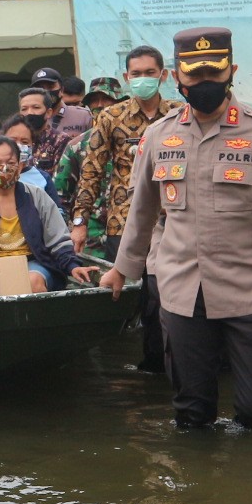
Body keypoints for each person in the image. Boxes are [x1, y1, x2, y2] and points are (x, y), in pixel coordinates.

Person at [101, 27, 252, 429]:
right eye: (194, 76)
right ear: (177, 78)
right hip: (181, 291)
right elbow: (143, 209)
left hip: (250, 292)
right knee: (191, 412)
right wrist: (122, 268)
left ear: (231, 71)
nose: (203, 84)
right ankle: (198, 486)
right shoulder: (158, 134)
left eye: (213, 75)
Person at [72, 48, 178, 371]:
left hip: (172, 220)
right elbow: (91, 171)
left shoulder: (178, 114)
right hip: (124, 221)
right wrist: (80, 220)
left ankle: (173, 361)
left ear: (163, 75)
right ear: (127, 77)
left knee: (166, 292)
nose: (143, 79)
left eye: (150, 72)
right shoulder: (110, 117)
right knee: (137, 295)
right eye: (137, 73)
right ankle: (147, 364)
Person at [0, 135, 98, 293]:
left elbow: (58, 239)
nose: (5, 169)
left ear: (19, 167)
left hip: (34, 263)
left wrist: (72, 266)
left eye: (11, 164)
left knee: (32, 282)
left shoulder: (37, 196)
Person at [54, 77, 127, 256]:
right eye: (94, 100)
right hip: (90, 238)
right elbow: (61, 196)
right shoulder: (77, 146)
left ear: (120, 102)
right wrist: (71, 230)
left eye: (106, 99)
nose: (100, 105)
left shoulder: (135, 141)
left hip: (130, 233)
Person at [0, 114, 63, 209]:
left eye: (24, 142)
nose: (18, 146)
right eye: (12, 141)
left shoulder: (43, 179)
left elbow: (56, 214)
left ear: (33, 145)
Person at [18, 86, 70, 176]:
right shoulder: (13, 140)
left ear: (48, 113)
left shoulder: (61, 140)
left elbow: (59, 180)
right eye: (24, 109)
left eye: (36, 107)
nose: (29, 112)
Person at [31, 68, 92, 137]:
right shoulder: (29, 119)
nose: (45, 92)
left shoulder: (83, 116)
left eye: (50, 87)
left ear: (62, 90)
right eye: (40, 88)